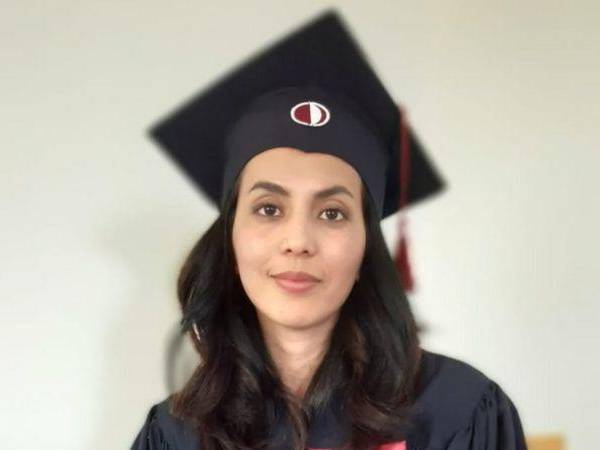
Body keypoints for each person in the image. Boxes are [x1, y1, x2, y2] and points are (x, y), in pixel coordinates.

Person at [131, 10, 527, 450]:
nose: (298, 241)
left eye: (332, 213)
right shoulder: (177, 433)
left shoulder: (458, 412)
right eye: (268, 208)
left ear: (365, 247)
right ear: (230, 240)